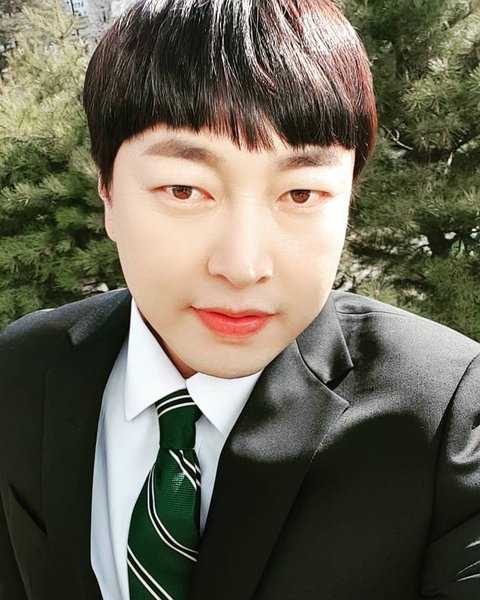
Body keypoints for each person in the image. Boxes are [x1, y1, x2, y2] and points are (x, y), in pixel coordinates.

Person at [1, 0, 479, 598]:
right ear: (108, 193)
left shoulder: (448, 415)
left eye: (301, 194)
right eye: (184, 189)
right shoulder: (23, 371)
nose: (242, 267)